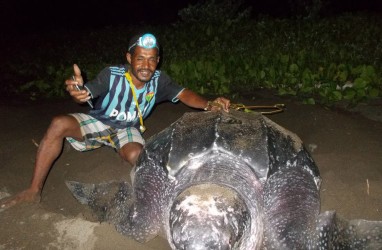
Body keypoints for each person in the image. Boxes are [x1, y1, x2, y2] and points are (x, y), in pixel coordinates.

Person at [0, 33, 230, 210]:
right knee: (58, 123)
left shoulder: (160, 80)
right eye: (140, 58)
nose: (146, 65)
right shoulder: (112, 74)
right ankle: (33, 190)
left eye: (151, 60)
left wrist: (209, 105)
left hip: (127, 131)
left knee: (138, 157)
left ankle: (165, 198)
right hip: (99, 122)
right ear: (129, 58)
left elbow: (184, 94)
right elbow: (88, 91)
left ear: (157, 61)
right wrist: (80, 91)